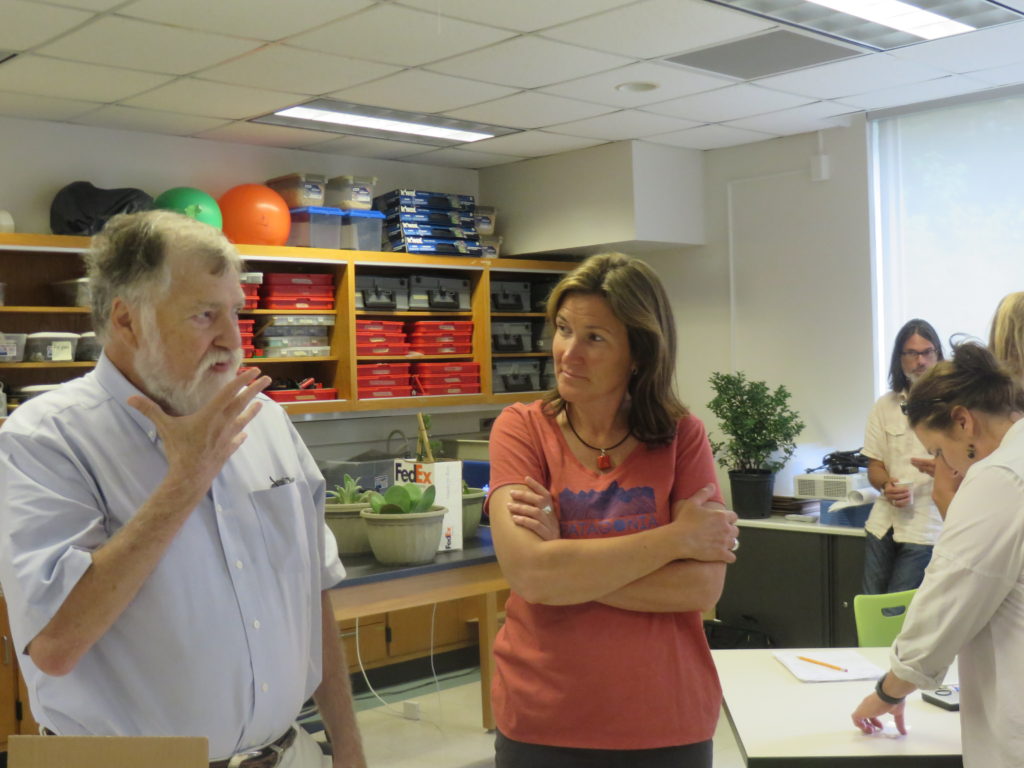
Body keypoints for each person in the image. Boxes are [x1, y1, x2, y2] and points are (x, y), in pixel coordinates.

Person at [0, 211, 365, 768]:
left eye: (235, 312)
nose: (231, 338)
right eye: (203, 315)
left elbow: (311, 601)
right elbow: (55, 645)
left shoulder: (264, 420)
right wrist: (187, 479)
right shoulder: (43, 439)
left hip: (288, 755)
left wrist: (350, 751)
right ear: (127, 320)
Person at [487, 252, 740, 768]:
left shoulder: (681, 436)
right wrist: (674, 541)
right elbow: (530, 575)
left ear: (639, 353)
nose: (568, 353)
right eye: (562, 329)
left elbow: (699, 588)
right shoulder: (520, 429)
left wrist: (566, 559)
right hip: (544, 716)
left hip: (665, 718)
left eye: (595, 338)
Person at [850, 342, 1024, 767]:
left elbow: (950, 599)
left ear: (963, 420)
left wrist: (888, 691)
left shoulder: (999, 476)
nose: (944, 465)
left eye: (938, 451)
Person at [860, 319, 945, 593]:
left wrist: (943, 469)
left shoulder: (955, 405)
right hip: (883, 523)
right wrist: (885, 485)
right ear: (900, 358)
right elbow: (875, 465)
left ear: (938, 355)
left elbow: (972, 467)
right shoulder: (886, 405)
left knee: (897, 611)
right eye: (912, 353)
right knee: (870, 604)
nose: (921, 361)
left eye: (927, 352)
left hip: (926, 526)